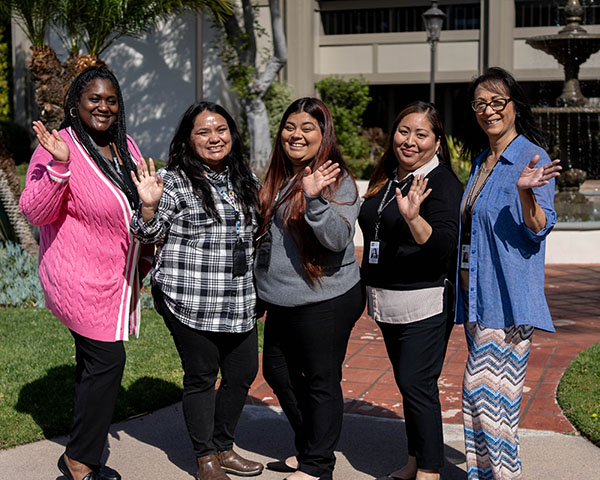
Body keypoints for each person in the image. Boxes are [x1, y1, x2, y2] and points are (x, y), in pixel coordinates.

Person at [19, 66, 153, 480]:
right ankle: (79, 462)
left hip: (116, 278)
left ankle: (80, 448)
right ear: (76, 103)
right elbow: (34, 211)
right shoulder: (59, 146)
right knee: (107, 361)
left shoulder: (123, 144)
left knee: (93, 366)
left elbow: (135, 202)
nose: (104, 106)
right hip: (78, 277)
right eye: (94, 98)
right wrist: (59, 166)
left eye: (111, 99)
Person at [129, 101, 263, 480]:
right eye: (203, 132)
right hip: (190, 298)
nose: (214, 138)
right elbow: (145, 234)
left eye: (220, 129)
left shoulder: (244, 178)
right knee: (202, 374)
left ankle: (224, 446)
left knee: (242, 373)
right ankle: (205, 457)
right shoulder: (173, 181)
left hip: (238, 297)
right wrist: (149, 207)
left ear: (232, 135)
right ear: (188, 140)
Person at [457, 67, 561, 480]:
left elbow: (539, 226)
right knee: (487, 404)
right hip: (478, 299)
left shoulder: (530, 157)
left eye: (498, 101)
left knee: (483, 395)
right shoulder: (483, 160)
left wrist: (524, 192)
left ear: (514, 105)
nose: (489, 110)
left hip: (509, 300)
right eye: (481, 103)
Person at [254, 97, 365, 480]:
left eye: (307, 128)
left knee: (321, 380)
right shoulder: (281, 175)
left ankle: (319, 466)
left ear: (324, 135)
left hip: (327, 297)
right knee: (277, 371)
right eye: (289, 126)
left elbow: (337, 240)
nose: (296, 134)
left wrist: (316, 199)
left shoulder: (336, 178)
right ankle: (311, 446)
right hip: (284, 297)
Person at [358, 101, 463, 480]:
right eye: (404, 131)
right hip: (387, 300)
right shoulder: (387, 176)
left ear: (437, 143)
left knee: (417, 385)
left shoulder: (444, 183)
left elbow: (442, 249)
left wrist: (415, 219)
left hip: (425, 300)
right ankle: (415, 460)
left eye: (422, 134)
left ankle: (431, 471)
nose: (410, 141)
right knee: (408, 385)